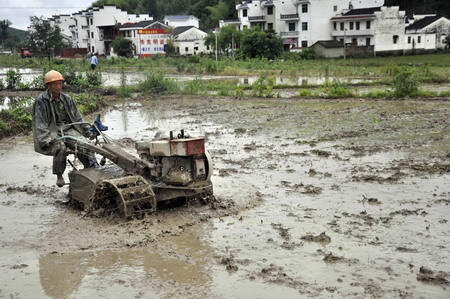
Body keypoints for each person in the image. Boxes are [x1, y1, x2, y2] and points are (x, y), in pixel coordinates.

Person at [32, 70, 98, 187]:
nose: (58, 87)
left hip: (68, 128)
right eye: (55, 84)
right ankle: (59, 175)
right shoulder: (41, 101)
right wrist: (45, 139)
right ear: (48, 86)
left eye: (60, 84)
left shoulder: (67, 99)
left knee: (84, 144)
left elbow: (77, 117)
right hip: (52, 130)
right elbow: (40, 122)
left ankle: (92, 169)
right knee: (60, 147)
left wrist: (87, 130)